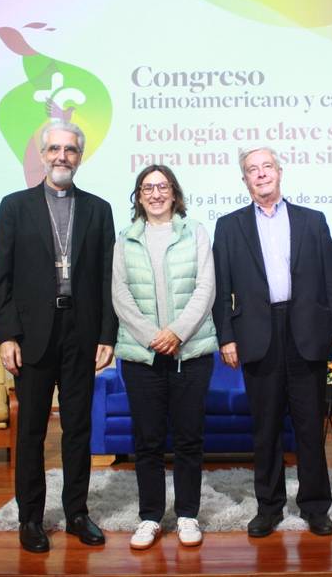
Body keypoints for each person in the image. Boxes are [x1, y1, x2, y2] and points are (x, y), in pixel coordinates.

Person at [0, 119, 117, 553]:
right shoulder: (14, 206)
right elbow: (1, 279)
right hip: (32, 337)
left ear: (80, 156)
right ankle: (30, 518)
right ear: (42, 154)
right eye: (55, 149)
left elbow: (106, 280)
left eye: (71, 150)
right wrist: (7, 336)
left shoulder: (99, 210)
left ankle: (77, 512)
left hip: (81, 334)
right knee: (31, 431)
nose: (62, 157)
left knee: (78, 428)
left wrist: (107, 334)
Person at [212, 146, 332, 538]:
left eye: (266, 166)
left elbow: (331, 281)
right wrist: (227, 337)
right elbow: (222, 288)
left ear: (280, 172)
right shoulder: (229, 226)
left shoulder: (313, 220)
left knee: (309, 426)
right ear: (245, 180)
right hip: (257, 333)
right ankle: (269, 507)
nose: (261, 174)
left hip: (306, 331)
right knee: (265, 429)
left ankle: (315, 506)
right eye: (252, 170)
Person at [112, 165, 217, 550]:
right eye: (147, 188)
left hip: (191, 352)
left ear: (174, 193)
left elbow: (206, 289)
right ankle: (150, 517)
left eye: (162, 187)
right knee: (148, 441)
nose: (155, 194)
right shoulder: (125, 239)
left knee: (189, 439)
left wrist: (176, 333)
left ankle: (188, 514)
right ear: (139, 196)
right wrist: (153, 337)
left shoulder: (196, 233)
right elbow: (119, 294)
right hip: (142, 357)